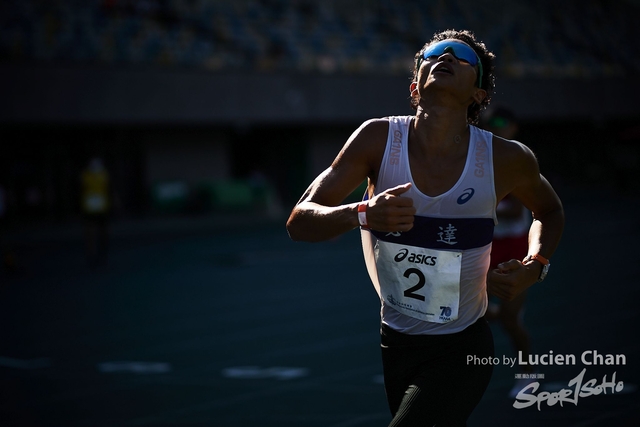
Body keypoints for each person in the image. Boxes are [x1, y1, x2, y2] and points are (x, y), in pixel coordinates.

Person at [286, 29, 564, 426]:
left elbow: (550, 211)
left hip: (463, 346)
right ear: (416, 85)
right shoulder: (377, 139)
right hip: (395, 341)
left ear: (480, 94)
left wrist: (535, 265)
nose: (446, 56)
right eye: (434, 53)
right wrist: (361, 213)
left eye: (463, 56)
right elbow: (299, 221)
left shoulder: (505, 158)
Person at [480, 106, 535, 398]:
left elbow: (516, 209)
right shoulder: (479, 160)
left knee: (512, 319)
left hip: (515, 247)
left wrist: (482, 206)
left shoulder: (518, 159)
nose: (495, 128)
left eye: (502, 123)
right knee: (477, 313)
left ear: (514, 127)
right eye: (490, 123)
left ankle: (527, 376)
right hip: (486, 247)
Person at [81, 157, 111, 268]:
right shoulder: (86, 176)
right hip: (90, 209)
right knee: (91, 233)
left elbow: (108, 189)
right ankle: (92, 255)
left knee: (102, 233)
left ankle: (101, 254)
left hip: (101, 209)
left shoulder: (103, 175)